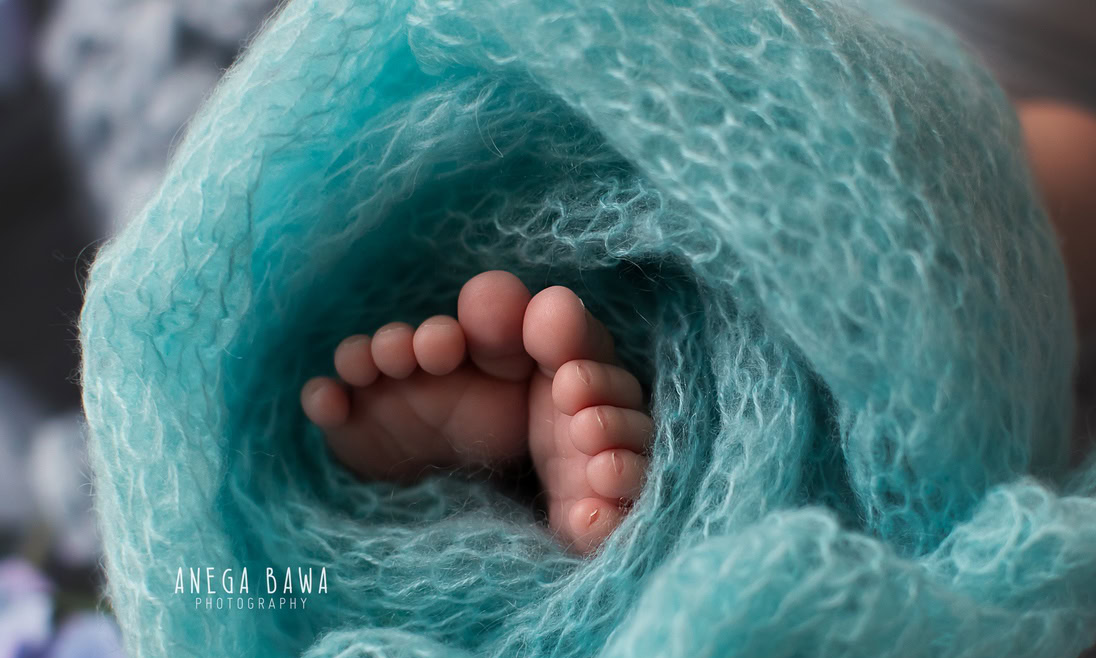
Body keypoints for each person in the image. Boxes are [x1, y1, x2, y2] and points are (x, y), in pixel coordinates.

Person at [300, 0, 1096, 554]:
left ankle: (631, 416)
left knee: (1058, 171)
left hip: (938, 110)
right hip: (734, 86)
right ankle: (632, 422)